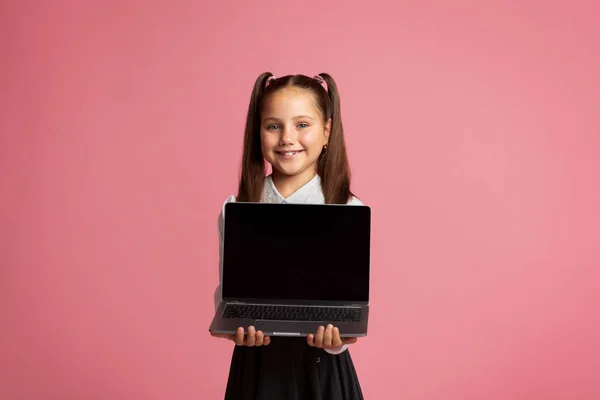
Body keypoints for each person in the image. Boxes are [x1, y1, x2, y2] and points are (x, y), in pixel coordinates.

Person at [211, 72, 365, 399]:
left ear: (327, 131)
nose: (287, 138)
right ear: (258, 133)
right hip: (256, 369)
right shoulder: (237, 207)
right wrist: (236, 330)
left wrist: (339, 341)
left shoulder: (347, 208)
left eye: (302, 125)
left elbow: (350, 305)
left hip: (323, 374)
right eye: (273, 126)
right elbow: (228, 293)